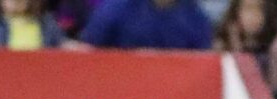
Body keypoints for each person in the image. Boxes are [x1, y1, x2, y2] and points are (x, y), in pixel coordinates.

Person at [79, 0, 213, 46]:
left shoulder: (196, 17)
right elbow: (89, 49)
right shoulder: (116, 9)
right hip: (119, 84)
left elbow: (202, 62)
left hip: (174, 89)